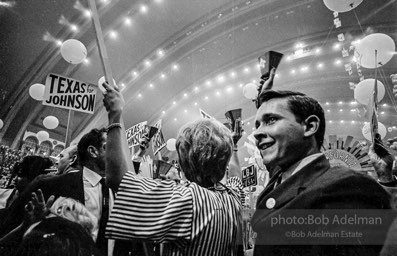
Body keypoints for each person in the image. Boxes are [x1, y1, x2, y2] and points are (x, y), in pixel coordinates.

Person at [102, 82, 243, 256]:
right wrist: (234, 146)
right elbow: (237, 177)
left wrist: (114, 117)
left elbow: (118, 181)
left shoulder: (187, 200)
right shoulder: (233, 198)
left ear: (185, 161)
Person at [251, 89, 394, 256]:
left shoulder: (344, 188)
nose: (256, 133)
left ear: (310, 126)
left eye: (271, 120)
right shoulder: (280, 177)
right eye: (257, 124)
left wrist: (385, 177)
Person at [0, 128, 114, 255]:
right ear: (93, 151)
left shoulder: (116, 189)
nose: (116, 153)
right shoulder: (49, 184)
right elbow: (9, 227)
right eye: (108, 147)